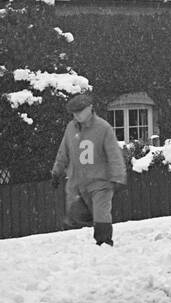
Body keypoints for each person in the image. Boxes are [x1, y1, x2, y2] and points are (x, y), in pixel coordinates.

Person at [50, 93, 126, 246]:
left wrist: (118, 177)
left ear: (90, 108)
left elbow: (114, 154)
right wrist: (57, 171)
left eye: (80, 111)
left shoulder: (103, 128)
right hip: (77, 183)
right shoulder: (71, 128)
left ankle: (104, 242)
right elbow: (63, 151)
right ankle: (82, 242)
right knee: (75, 215)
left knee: (101, 213)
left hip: (100, 182)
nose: (76, 115)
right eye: (74, 113)